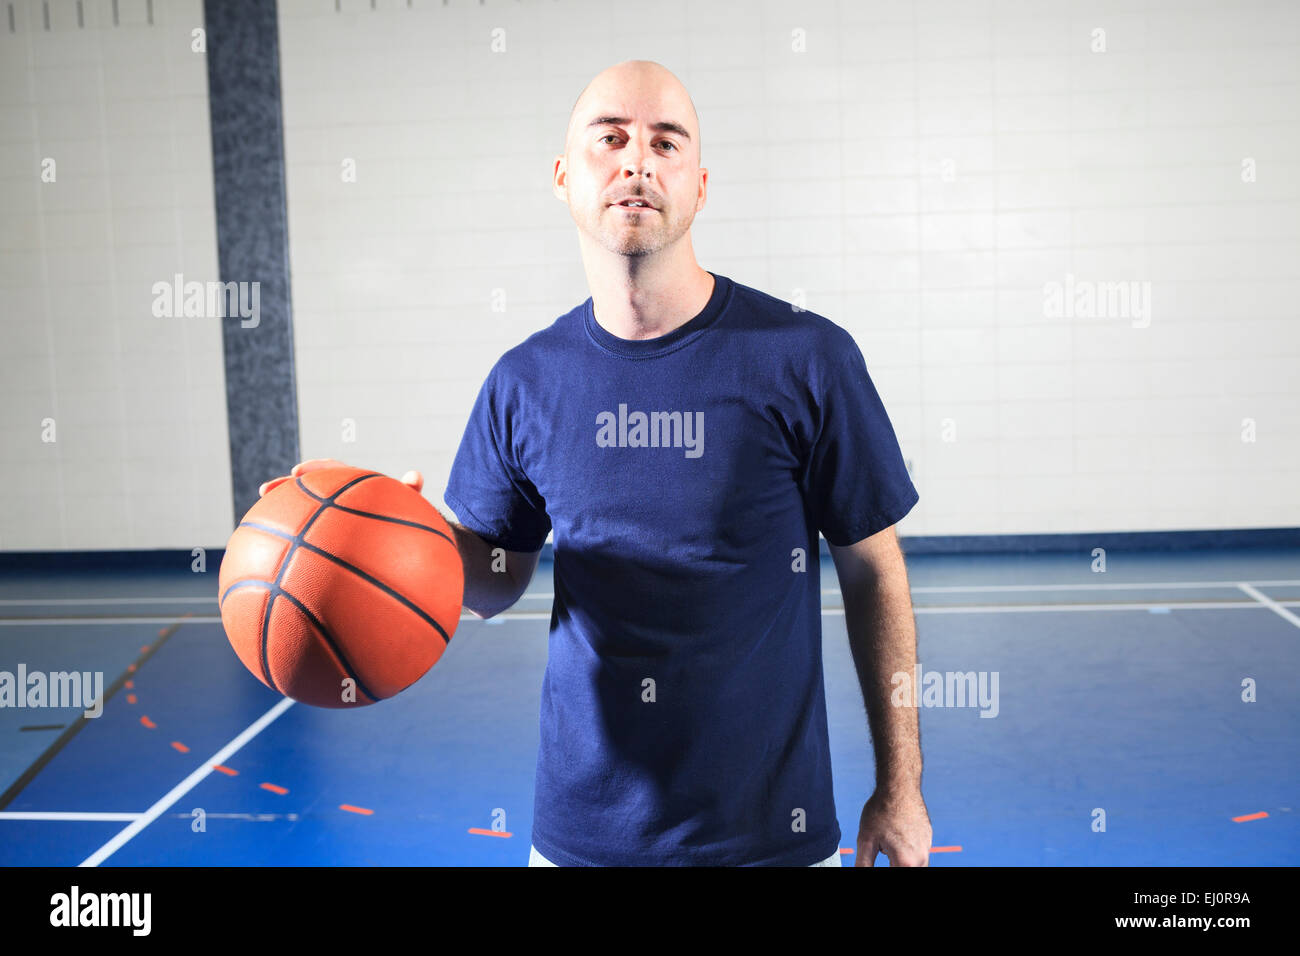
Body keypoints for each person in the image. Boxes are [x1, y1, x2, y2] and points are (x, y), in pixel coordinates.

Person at [261, 60, 931, 867]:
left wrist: (901, 787)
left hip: (773, 840)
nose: (636, 162)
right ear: (563, 177)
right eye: (609, 139)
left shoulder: (806, 358)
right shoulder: (525, 381)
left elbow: (874, 572)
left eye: (665, 142)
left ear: (701, 184)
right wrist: (393, 530)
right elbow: (496, 578)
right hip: (584, 842)